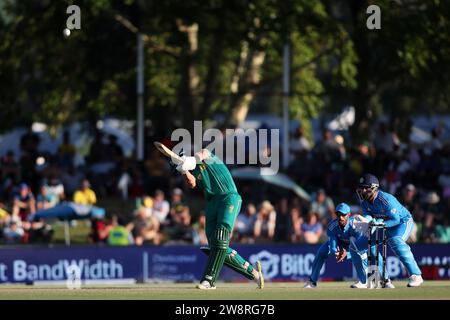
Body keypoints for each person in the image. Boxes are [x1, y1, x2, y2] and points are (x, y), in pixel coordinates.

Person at [175, 148, 263, 290]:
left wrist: (191, 161)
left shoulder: (206, 156)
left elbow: (203, 153)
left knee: (221, 236)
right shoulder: (194, 170)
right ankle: (254, 274)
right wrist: (184, 171)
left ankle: (209, 280)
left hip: (228, 197)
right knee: (216, 245)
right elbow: (192, 183)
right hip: (212, 203)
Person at [354, 173, 423, 287]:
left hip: (402, 222)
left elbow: (395, 219)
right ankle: (385, 280)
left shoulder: (385, 199)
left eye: (365, 188)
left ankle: (416, 275)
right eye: (361, 188)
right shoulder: (365, 202)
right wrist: (364, 221)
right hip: (383, 224)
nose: (362, 191)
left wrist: (378, 223)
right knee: (368, 244)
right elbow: (368, 216)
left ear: (374, 188)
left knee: (395, 241)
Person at [304, 203, 369, 289]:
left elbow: (360, 246)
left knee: (362, 253)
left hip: (355, 246)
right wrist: (336, 253)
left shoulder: (356, 225)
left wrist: (348, 253)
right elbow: (333, 246)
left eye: (343, 215)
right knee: (321, 251)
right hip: (341, 245)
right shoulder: (332, 226)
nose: (341, 218)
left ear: (349, 214)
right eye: (338, 215)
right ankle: (312, 281)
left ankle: (364, 280)